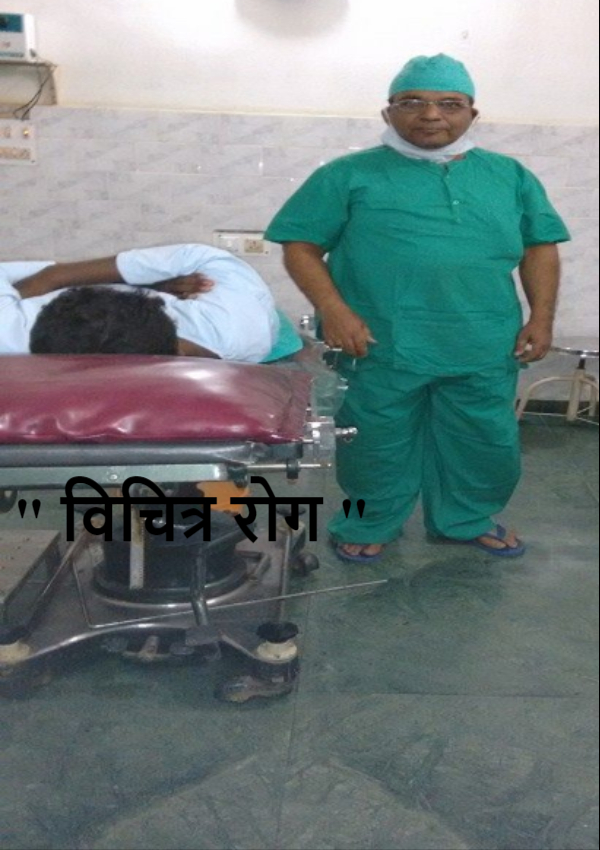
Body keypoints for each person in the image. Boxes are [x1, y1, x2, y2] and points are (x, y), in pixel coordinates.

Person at [264, 53, 570, 561]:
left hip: (483, 340)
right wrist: (334, 309)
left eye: (449, 103)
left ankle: (467, 518)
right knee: (373, 442)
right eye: (412, 102)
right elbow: (300, 244)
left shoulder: (509, 176)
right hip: (380, 340)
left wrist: (542, 317)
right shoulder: (348, 175)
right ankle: (367, 521)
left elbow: (540, 246)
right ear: (388, 113)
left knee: (484, 439)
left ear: (472, 113)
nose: (431, 114)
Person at [0, 243, 302, 362]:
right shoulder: (241, 318)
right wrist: (55, 276)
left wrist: (52, 278)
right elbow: (201, 255)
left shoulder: (14, 338)